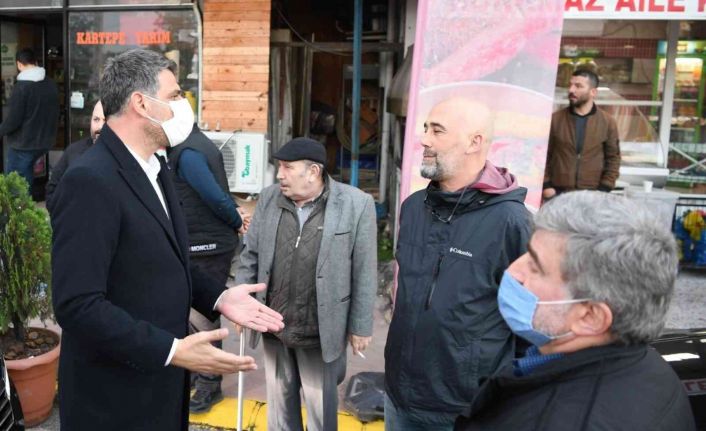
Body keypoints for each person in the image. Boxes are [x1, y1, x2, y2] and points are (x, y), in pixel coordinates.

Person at [50, 49, 284, 431]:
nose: (183, 105)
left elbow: (166, 259)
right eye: (174, 95)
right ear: (141, 103)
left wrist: (219, 297)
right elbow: (77, 304)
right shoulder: (89, 180)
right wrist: (172, 351)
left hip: (161, 392)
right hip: (115, 404)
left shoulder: (156, 166)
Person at [455, 191, 696, 431]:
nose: (513, 271)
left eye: (535, 266)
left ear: (591, 317)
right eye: (526, 253)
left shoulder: (566, 421)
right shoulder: (647, 368)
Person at [384, 97, 532, 430]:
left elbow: (531, 322)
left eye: (437, 131)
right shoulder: (413, 207)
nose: (424, 139)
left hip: (463, 407)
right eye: (425, 128)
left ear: (474, 142)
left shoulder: (512, 222)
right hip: (398, 394)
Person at [235, 137, 377, 431]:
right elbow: (251, 255)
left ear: (313, 171)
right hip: (273, 325)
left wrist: (361, 326)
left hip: (319, 330)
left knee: (320, 413)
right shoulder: (270, 198)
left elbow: (365, 269)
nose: (279, 175)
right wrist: (242, 303)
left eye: (287, 168)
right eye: (279, 167)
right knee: (280, 414)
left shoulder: (355, 204)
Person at [167, 123, 250, 413]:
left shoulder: (188, 152)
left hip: (207, 246)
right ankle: (196, 371)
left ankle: (210, 383)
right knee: (189, 317)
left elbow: (213, 195)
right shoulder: (188, 146)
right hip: (198, 242)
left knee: (203, 319)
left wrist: (236, 220)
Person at [542, 69, 620, 199]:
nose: (571, 90)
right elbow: (542, 154)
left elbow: (613, 158)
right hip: (557, 194)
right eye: (570, 85)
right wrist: (546, 185)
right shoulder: (555, 120)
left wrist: (604, 188)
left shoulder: (607, 122)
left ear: (593, 92)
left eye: (578, 86)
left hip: (593, 195)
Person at [0, 48, 59, 188]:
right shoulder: (50, 83)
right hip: (44, 141)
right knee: (26, 180)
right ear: (36, 62)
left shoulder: (21, 87)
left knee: (16, 188)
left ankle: (25, 203)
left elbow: (13, 120)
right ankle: (31, 201)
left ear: (19, 64)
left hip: (23, 144)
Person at [46, 100, 105, 211]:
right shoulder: (73, 151)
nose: (100, 127)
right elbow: (52, 190)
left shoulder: (123, 156)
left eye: (106, 121)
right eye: (96, 119)